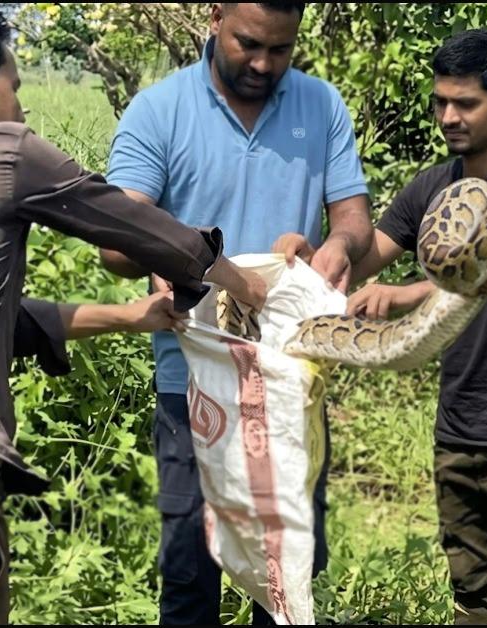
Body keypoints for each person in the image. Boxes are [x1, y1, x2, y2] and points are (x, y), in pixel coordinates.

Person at [0, 4, 265, 624]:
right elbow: (133, 226)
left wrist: (129, 316)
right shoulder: (1, 150)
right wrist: (249, 284)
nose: (22, 110)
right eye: (15, 89)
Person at [97, 2, 372, 624]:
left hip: (288, 384)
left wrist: (336, 245)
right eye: (248, 43)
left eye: (280, 49)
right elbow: (116, 240)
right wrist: (175, 251)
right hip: (191, 390)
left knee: (288, 584)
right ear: (215, 15)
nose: (262, 63)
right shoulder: (159, 111)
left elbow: (353, 217)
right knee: (190, 579)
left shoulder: (320, 105)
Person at [341, 30, 487, 625]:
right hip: (457, 429)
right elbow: (359, 265)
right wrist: (316, 253)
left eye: (465, 103)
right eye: (441, 102)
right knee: (470, 599)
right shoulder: (430, 188)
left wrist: (409, 293)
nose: (449, 116)